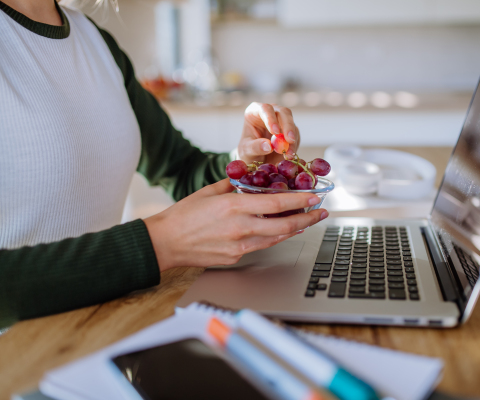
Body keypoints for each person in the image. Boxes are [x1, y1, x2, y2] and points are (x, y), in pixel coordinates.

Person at [0, 0, 329, 328]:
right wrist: (158, 244)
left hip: (102, 324)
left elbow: (181, 169)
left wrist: (246, 162)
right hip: (20, 353)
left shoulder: (96, 43)